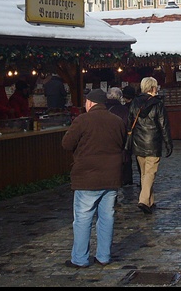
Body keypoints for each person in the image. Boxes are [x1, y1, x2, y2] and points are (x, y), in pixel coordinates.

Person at [61, 88, 126, 268]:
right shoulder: (117, 121)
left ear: (90, 103)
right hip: (111, 176)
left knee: (83, 218)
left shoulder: (82, 120)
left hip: (87, 177)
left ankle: (80, 258)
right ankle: (103, 256)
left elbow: (66, 144)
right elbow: (122, 143)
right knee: (107, 217)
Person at [127, 77, 173, 214]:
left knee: (144, 174)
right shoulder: (158, 104)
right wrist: (168, 143)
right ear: (153, 88)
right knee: (150, 173)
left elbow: (129, 123)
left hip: (138, 143)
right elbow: (164, 126)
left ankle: (150, 201)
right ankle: (143, 200)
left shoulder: (134, 103)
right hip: (153, 142)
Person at [105, 87, 132, 186]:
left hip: (105, 140)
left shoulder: (103, 108)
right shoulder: (123, 110)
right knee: (124, 160)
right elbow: (127, 126)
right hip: (120, 141)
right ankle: (125, 180)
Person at [120, 85, 138, 186]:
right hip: (138, 135)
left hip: (128, 135)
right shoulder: (138, 106)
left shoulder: (124, 109)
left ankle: (127, 179)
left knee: (127, 158)